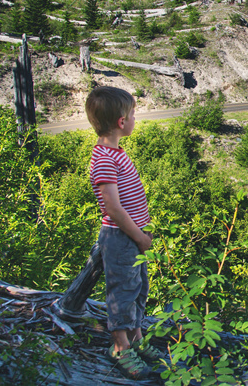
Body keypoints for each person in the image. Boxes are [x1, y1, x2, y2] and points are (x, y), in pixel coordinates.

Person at [86, 86, 159, 379]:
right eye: (132, 115)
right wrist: (140, 237)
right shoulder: (104, 158)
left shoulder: (115, 152)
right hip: (120, 237)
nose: (133, 120)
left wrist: (144, 229)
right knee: (122, 293)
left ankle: (137, 337)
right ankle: (120, 346)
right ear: (121, 122)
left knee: (139, 287)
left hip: (133, 234)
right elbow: (113, 208)